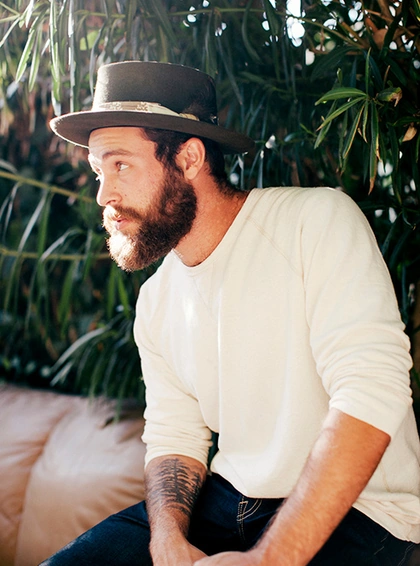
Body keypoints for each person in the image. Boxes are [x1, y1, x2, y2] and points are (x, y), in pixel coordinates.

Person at [43, 60, 420, 565]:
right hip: (228, 500)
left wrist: (270, 559)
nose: (103, 194)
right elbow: (175, 434)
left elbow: (372, 388)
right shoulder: (156, 300)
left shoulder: (315, 222)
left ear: (189, 158)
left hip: (365, 511)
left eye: (121, 166)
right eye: (99, 171)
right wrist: (166, 542)